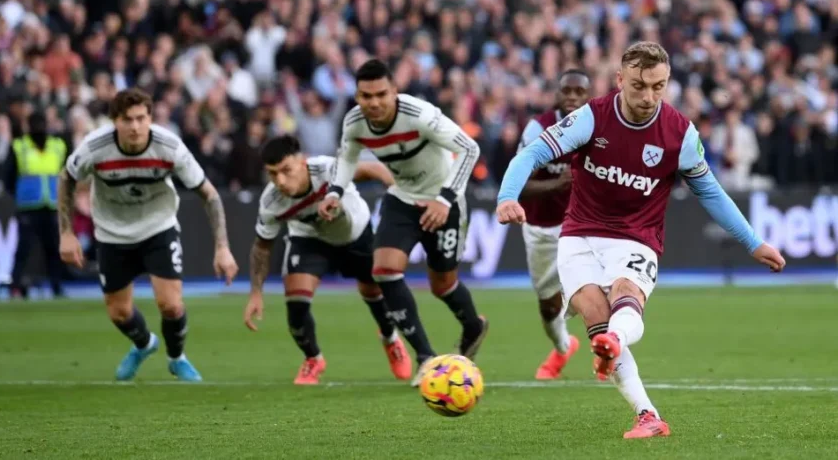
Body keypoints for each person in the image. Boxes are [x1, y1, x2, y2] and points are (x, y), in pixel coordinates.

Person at [496, 41, 786, 439]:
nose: (649, 96)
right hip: (578, 235)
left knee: (623, 298)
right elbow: (529, 155)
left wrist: (753, 242)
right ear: (620, 80)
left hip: (636, 237)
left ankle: (614, 341)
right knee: (597, 320)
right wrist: (507, 197)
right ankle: (647, 414)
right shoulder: (591, 118)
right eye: (639, 86)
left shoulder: (679, 133)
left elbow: (711, 192)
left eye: (658, 86)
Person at [318, 58, 488, 386]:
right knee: (383, 270)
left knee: (442, 285)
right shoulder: (354, 122)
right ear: (357, 97)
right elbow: (346, 157)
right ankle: (426, 357)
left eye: (381, 94)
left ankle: (474, 326)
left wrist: (445, 199)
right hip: (402, 198)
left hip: (444, 199)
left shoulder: (419, 115)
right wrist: (335, 192)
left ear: (395, 91)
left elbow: (470, 149)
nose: (374, 102)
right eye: (366, 96)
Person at [58, 88, 239, 382]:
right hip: (111, 234)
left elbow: (210, 195)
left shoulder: (170, 147)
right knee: (118, 313)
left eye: (141, 118)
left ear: (150, 118)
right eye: (127, 119)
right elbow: (66, 178)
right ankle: (144, 344)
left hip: (158, 228)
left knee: (171, 304)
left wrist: (223, 247)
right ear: (114, 120)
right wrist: (66, 233)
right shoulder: (95, 147)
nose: (135, 126)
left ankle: (176, 357)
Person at [243, 136, 412, 385]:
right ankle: (313, 358)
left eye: (286, 171)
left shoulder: (328, 169)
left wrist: (397, 191)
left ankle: (390, 338)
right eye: (272, 174)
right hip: (310, 240)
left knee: (374, 293)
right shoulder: (271, 203)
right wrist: (256, 292)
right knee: (296, 301)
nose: (280, 181)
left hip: (355, 232)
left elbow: (372, 169)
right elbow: (262, 247)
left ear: (302, 162)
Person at [517, 69, 591, 380]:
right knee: (549, 306)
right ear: (557, 94)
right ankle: (563, 346)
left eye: (579, 92)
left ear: (588, 96)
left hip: (584, 225)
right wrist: (556, 186)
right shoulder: (539, 128)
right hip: (541, 227)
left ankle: (610, 353)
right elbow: (519, 183)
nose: (572, 97)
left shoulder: (597, 126)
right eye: (567, 91)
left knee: (599, 293)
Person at [7, 112, 68, 299]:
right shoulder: (19, 146)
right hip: (29, 206)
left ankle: (57, 287)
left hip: (51, 205)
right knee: (23, 249)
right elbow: (8, 176)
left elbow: (66, 174)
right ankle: (15, 286)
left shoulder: (58, 146)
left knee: (54, 249)